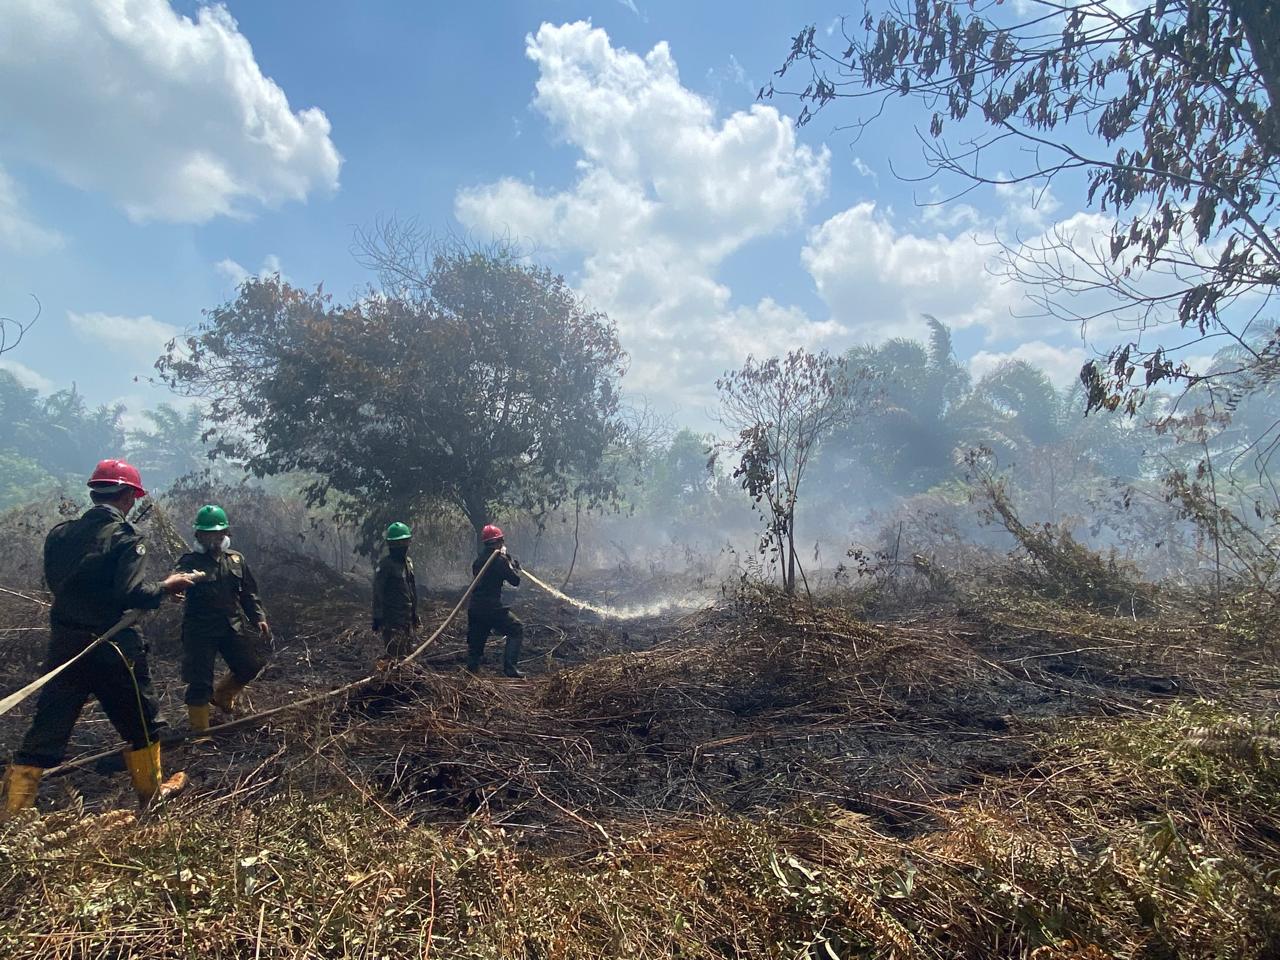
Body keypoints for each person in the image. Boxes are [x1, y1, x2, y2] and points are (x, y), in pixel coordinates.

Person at [2, 459, 198, 813]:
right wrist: (168, 586)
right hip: (114, 648)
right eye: (134, 498)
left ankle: (11, 817)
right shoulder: (127, 538)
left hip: (67, 646)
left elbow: (57, 584)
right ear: (128, 497)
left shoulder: (60, 534)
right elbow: (132, 593)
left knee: (47, 730)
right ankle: (152, 801)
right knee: (142, 722)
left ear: (95, 492)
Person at [175, 505, 271, 732]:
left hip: (232, 626)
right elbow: (175, 579)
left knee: (249, 666)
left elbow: (249, 593)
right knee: (199, 682)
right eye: (208, 533)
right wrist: (176, 588)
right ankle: (200, 733)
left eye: (218, 532)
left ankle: (223, 695)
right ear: (198, 535)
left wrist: (258, 616)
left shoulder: (236, 560)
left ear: (226, 533)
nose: (214, 538)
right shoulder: (189, 562)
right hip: (200, 631)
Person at [465, 524, 525, 678]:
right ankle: (510, 668)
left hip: (475, 607)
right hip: (491, 608)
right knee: (516, 628)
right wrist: (512, 566)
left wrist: (506, 560)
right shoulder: (499, 561)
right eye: (502, 541)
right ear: (499, 541)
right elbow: (515, 581)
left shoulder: (479, 560)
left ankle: (471, 672)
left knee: (477, 640)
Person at [371, 522, 420, 663]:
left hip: (407, 619)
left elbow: (412, 589)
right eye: (398, 543)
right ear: (390, 545)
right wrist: (377, 616)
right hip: (392, 620)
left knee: (408, 656)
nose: (402, 547)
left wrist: (414, 614)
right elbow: (377, 591)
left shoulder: (408, 564)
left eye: (404, 542)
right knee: (394, 657)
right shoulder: (386, 566)